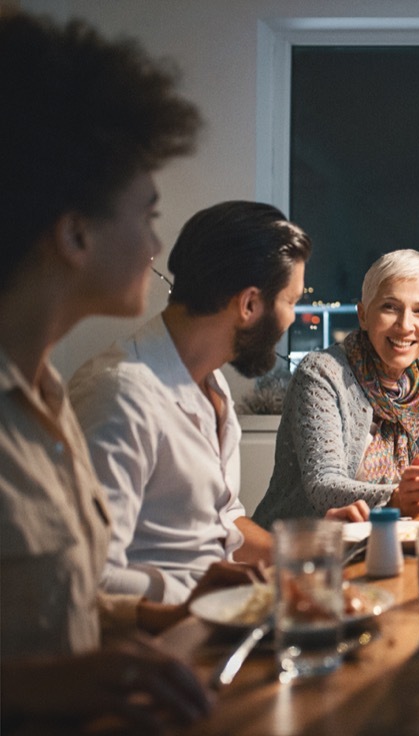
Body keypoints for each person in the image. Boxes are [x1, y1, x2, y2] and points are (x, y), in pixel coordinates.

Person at [0, 11, 212, 730]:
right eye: (148, 214)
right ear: (75, 232)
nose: (157, 243)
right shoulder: (108, 387)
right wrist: (41, 689)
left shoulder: (46, 397)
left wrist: (167, 617)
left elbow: (60, 607)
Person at [68, 201, 369, 606]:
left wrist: (308, 546)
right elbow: (89, 578)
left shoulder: (212, 384)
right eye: (290, 301)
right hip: (160, 645)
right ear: (249, 305)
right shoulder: (120, 395)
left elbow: (224, 522)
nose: (293, 319)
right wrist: (195, 594)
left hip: (223, 614)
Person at [254, 249, 419, 525]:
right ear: (363, 315)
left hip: (391, 537)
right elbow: (322, 486)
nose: (405, 325)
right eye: (390, 307)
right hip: (299, 547)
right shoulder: (321, 372)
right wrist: (395, 498)